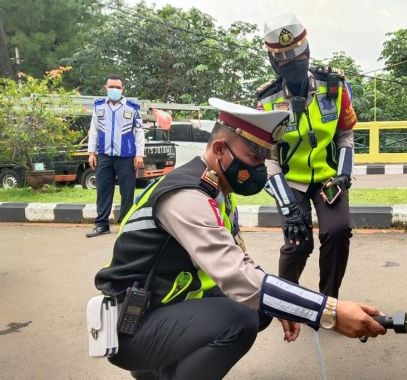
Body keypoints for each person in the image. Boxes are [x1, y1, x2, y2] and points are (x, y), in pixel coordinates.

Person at [93, 98, 384, 379]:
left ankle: (156, 369)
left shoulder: (214, 187)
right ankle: (160, 371)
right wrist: (327, 311)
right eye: (254, 158)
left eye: (265, 160)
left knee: (260, 309)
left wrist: (287, 304)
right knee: (240, 320)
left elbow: (241, 263)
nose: (259, 169)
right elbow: (238, 278)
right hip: (132, 325)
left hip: (160, 310)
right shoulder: (187, 196)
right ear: (220, 149)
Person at [257, 13, 357, 298]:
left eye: (298, 57)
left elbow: (345, 135)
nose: (293, 65)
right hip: (291, 182)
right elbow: (269, 157)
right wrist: (288, 207)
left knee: (337, 232)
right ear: (274, 62)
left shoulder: (334, 87)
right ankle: (286, 299)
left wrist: (343, 174)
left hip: (328, 177)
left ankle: (328, 301)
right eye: (284, 60)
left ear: (308, 52)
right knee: (297, 242)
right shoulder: (267, 101)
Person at [86, 75, 145, 238]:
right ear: (105, 87)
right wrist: (91, 152)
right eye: (112, 87)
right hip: (104, 155)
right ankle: (101, 225)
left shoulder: (132, 107)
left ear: (123, 89)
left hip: (126, 156)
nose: (115, 90)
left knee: (127, 191)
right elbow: (94, 130)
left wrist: (140, 154)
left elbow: (139, 132)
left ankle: (125, 224)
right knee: (103, 190)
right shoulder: (99, 106)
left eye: (118, 87)